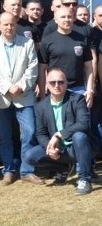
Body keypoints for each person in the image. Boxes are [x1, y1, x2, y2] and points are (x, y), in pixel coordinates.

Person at [0, 12, 42, 185]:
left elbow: (33, 68)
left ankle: (26, 170)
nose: (9, 27)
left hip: (23, 96)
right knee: (4, 136)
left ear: (16, 25)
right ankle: (8, 170)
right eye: (6, 24)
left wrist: (22, 86)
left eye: (12, 24)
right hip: (2, 97)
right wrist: (7, 87)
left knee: (30, 132)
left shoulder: (27, 43)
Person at [23, 67, 95, 195]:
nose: (57, 85)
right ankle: (62, 168)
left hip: (78, 148)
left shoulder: (77, 99)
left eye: (61, 82)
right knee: (29, 157)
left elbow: (83, 124)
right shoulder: (40, 106)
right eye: (52, 82)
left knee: (79, 136)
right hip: (60, 150)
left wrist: (59, 135)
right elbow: (41, 133)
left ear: (66, 83)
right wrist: (49, 148)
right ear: (47, 85)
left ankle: (84, 179)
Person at [38, 6, 94, 107]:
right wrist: (42, 94)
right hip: (55, 89)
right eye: (63, 17)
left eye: (69, 17)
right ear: (55, 19)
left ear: (74, 18)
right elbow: (41, 69)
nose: (67, 20)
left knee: (82, 122)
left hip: (78, 89)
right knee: (57, 122)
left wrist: (90, 89)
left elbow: (89, 67)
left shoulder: (82, 39)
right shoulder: (47, 41)